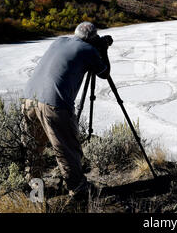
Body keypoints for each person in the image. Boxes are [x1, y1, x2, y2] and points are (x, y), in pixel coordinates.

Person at [21, 21, 112, 199]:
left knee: (33, 150)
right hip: (54, 104)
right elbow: (104, 73)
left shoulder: (59, 41)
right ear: (93, 39)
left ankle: (35, 193)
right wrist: (103, 50)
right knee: (66, 149)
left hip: (29, 99)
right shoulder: (89, 51)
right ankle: (78, 190)